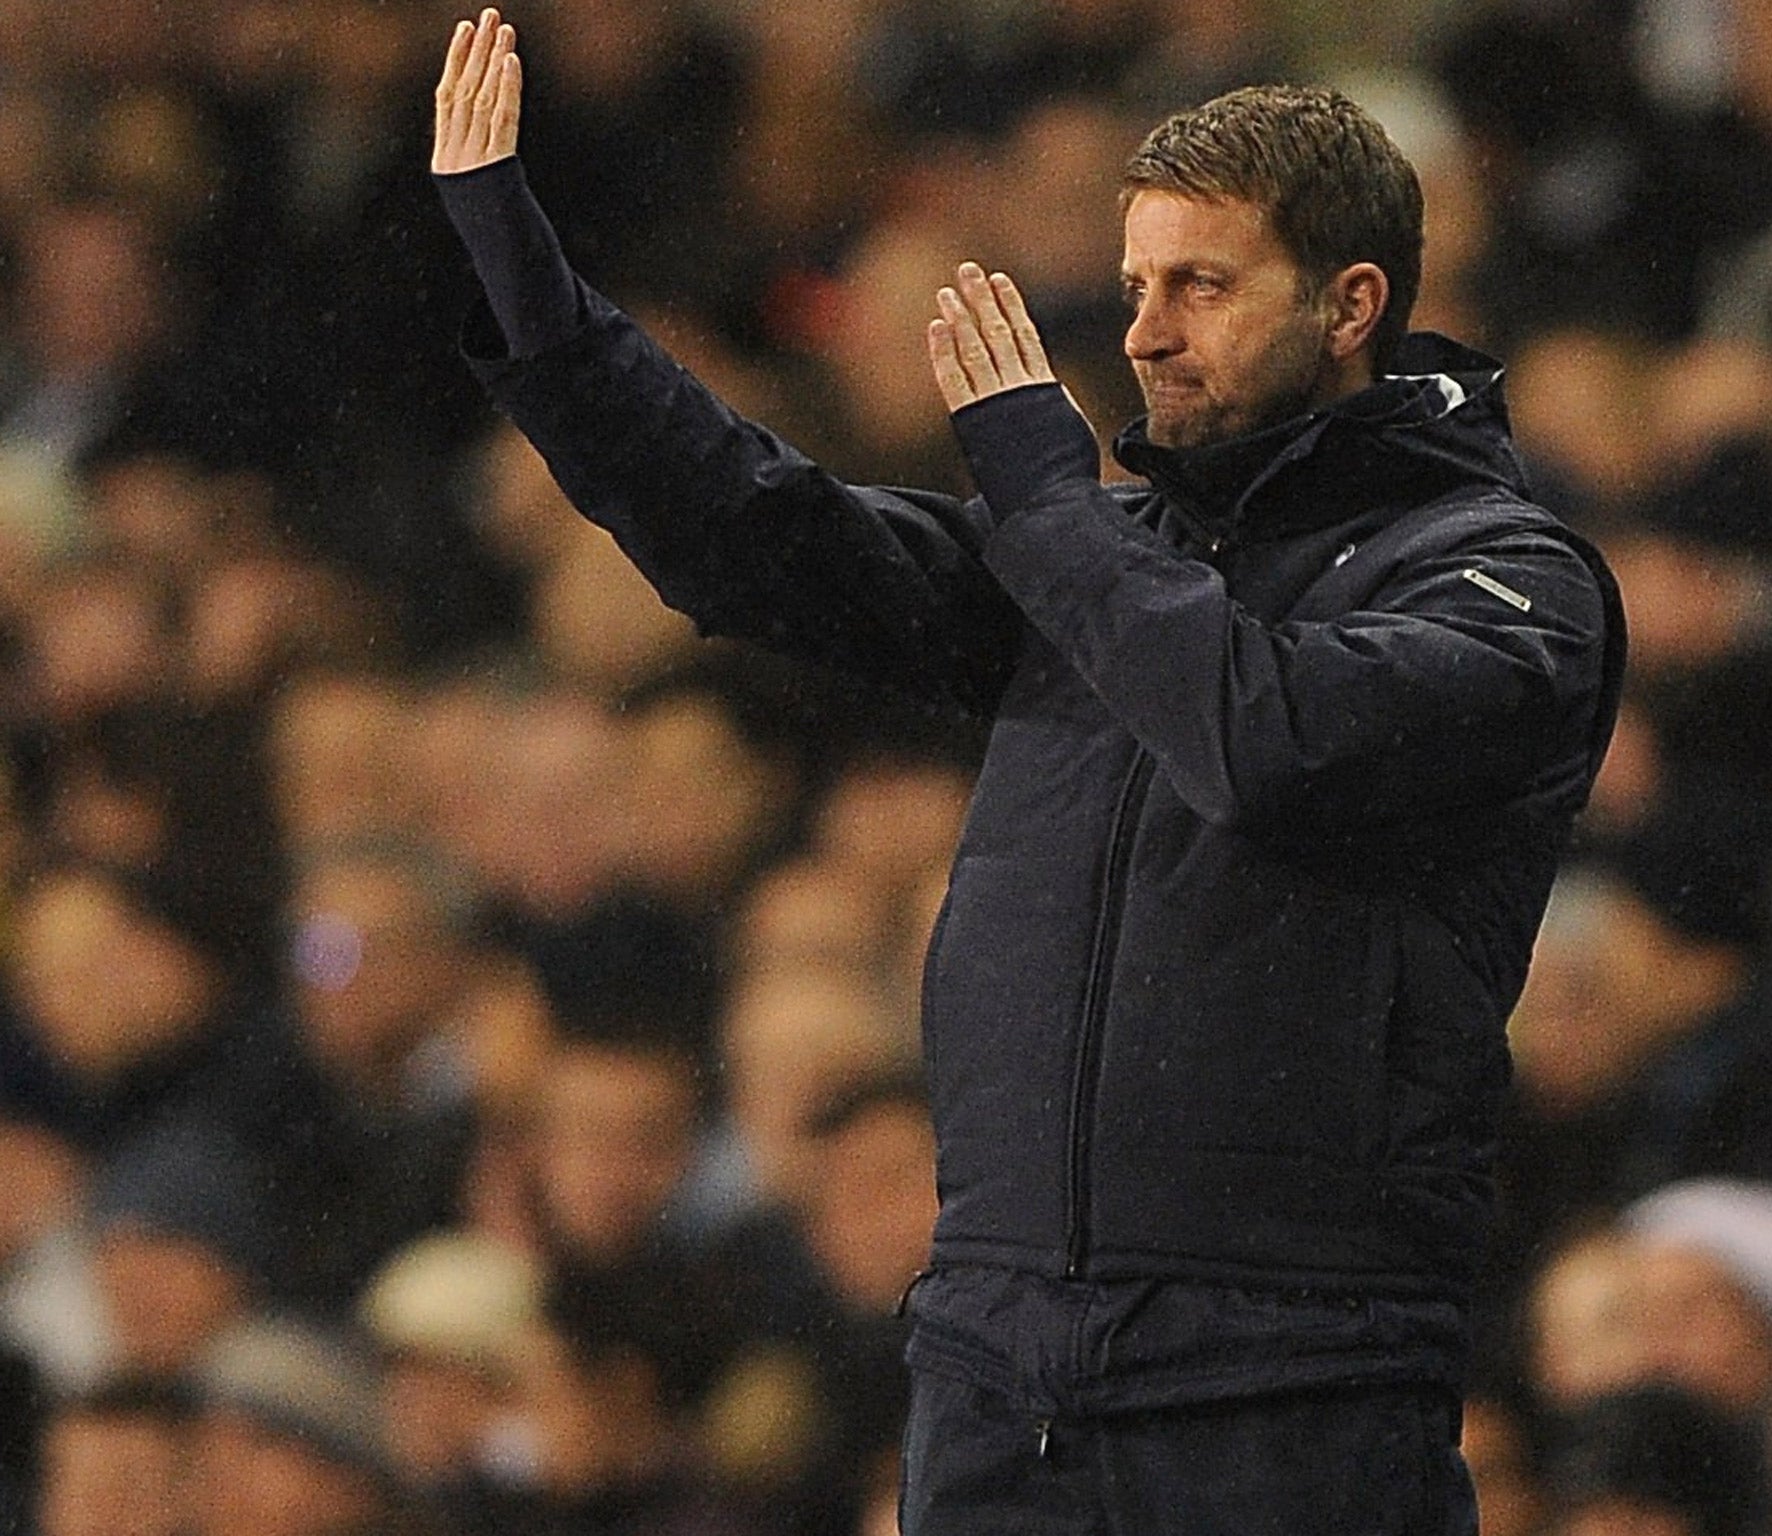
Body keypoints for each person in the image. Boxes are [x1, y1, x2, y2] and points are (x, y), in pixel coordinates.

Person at [431, 10, 1626, 1531]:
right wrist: (532, 290)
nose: (1142, 334)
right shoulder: (1097, 560)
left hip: (1290, 1386)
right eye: (1135, 285)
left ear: (1353, 304)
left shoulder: (1509, 583)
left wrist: (1053, 502)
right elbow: (758, 536)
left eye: (1201, 285)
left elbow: (1265, 741)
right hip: (1001, 1375)